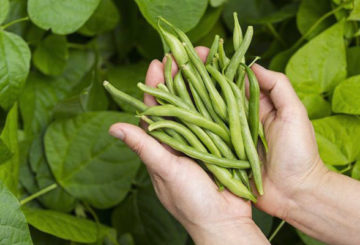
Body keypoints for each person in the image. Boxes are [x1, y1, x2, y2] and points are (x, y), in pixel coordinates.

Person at [109, 47, 360, 245]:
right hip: (248, 171)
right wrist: (303, 186)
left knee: (211, 107)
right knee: (203, 113)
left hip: (243, 169)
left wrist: (222, 228)